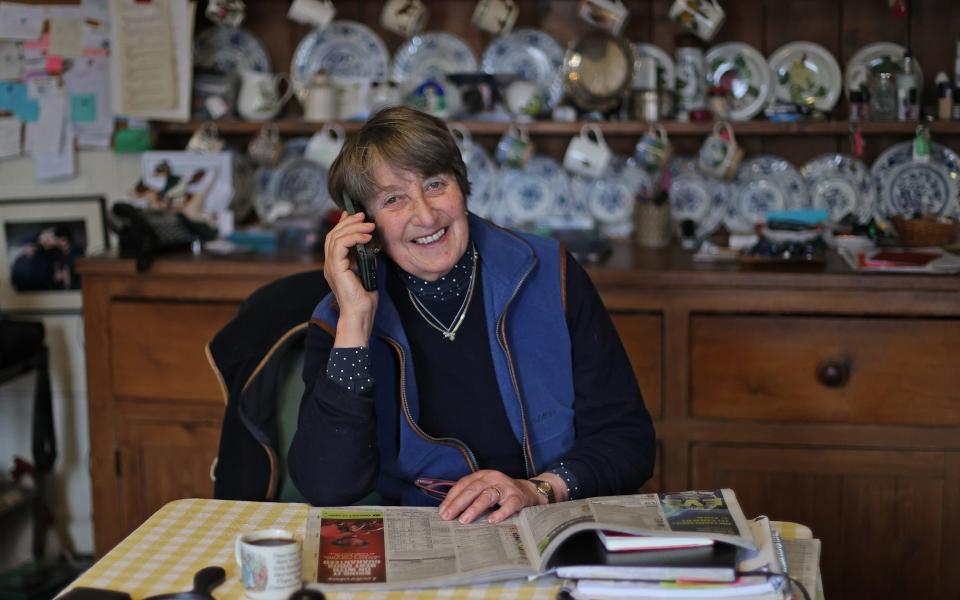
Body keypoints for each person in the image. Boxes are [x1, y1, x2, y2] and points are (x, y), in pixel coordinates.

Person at [288, 106, 655, 525]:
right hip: (426, 526)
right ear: (362, 223)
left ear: (461, 186)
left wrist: (539, 489)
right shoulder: (338, 319)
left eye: (436, 184)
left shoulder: (552, 273)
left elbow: (629, 440)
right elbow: (327, 485)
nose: (425, 215)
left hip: (551, 511)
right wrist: (355, 321)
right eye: (394, 199)